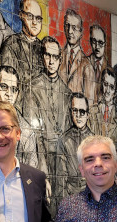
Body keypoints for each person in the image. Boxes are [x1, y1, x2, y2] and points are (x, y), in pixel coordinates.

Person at [28, 36, 72, 179]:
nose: (51, 61)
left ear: (60, 59)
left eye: (55, 57)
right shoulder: (33, 87)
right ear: (42, 57)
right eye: (48, 55)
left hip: (62, 159)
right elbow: (32, 130)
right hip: (40, 154)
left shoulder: (66, 92)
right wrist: (41, 161)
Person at [0, 0, 44, 112]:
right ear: (21, 15)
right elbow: (5, 86)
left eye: (38, 18)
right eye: (30, 16)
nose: (34, 22)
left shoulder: (44, 49)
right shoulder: (11, 44)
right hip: (16, 111)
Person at [56, 92, 94, 200]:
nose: (78, 115)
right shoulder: (64, 140)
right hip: (70, 195)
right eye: (75, 111)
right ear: (71, 112)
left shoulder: (95, 141)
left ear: (88, 114)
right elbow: (60, 177)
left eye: (82, 112)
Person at [59, 9, 96, 106]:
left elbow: (90, 104)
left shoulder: (87, 65)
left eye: (74, 28)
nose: (70, 31)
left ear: (81, 33)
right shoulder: (57, 56)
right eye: (67, 26)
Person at [88, 67, 117, 150]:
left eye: (112, 87)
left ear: (115, 92)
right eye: (105, 84)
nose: (108, 91)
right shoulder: (91, 112)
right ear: (102, 85)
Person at [88, 24, 109, 103]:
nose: (97, 46)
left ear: (105, 44)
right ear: (90, 41)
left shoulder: (109, 69)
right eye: (94, 41)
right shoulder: (84, 63)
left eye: (100, 42)